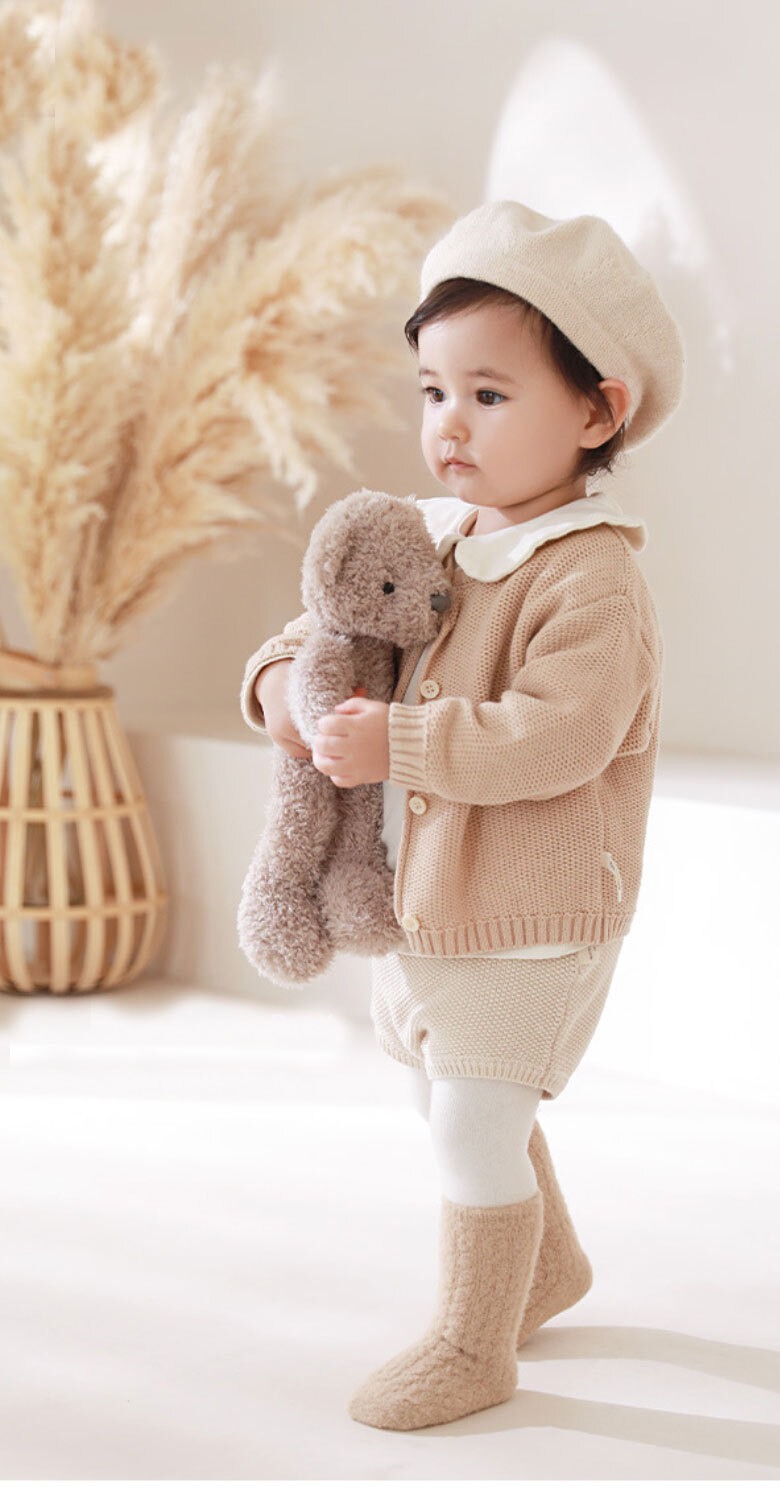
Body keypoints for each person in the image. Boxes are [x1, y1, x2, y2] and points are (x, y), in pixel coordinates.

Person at [239, 200, 685, 1432]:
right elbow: (317, 631)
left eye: (489, 396)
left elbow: (559, 734)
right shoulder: (429, 537)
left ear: (596, 412)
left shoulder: (592, 574)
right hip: (425, 901)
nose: (448, 424)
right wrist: (281, 691)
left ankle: (472, 1344)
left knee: (472, 1133)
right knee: (446, 1101)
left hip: (531, 916)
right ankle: (545, 1267)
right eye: (434, 390)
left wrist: (399, 740)